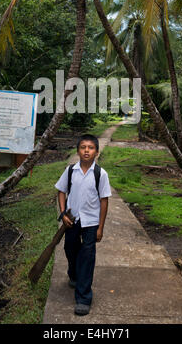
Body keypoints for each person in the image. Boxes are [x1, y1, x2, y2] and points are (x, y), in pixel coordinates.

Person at [55, 133, 112, 316]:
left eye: (91, 147)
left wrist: (100, 228)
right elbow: (61, 191)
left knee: (87, 257)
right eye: (83, 147)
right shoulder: (70, 170)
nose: (86, 150)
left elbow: (104, 201)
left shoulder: (100, 174)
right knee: (70, 249)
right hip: (72, 220)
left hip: (91, 222)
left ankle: (84, 298)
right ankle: (73, 273)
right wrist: (63, 213)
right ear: (78, 150)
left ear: (96, 151)